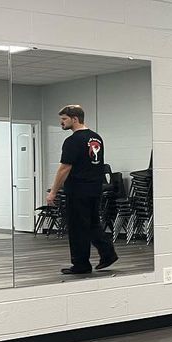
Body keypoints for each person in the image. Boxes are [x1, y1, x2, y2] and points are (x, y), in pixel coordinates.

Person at [46, 105, 117, 276]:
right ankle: (108, 253)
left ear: (75, 119)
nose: (61, 123)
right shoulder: (96, 138)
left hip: (78, 190)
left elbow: (64, 168)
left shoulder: (72, 141)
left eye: (64, 119)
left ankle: (81, 264)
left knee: (77, 227)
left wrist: (53, 192)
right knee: (92, 224)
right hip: (94, 189)